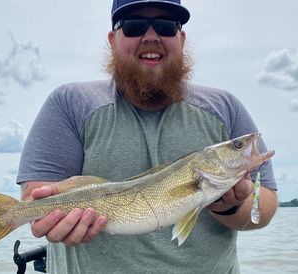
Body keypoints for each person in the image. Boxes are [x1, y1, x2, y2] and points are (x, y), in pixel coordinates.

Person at [17, 0, 278, 273]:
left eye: (166, 26)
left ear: (182, 38)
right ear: (112, 40)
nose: (151, 36)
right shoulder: (69, 103)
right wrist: (51, 219)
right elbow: (37, 192)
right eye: (134, 26)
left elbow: (265, 202)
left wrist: (231, 208)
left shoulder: (226, 108)